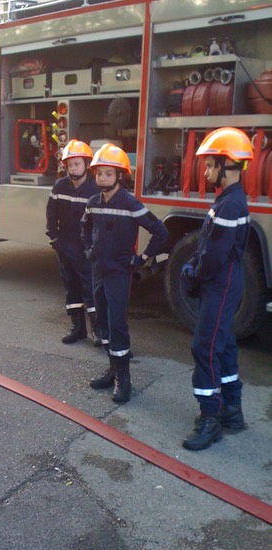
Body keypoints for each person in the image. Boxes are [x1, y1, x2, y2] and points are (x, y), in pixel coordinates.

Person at [181, 127, 253, 451]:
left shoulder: (230, 205)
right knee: (222, 344)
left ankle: (211, 418)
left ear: (228, 165)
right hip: (224, 281)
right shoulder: (228, 200)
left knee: (205, 346)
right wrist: (195, 264)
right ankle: (232, 411)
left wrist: (195, 274)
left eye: (211, 165)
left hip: (220, 283)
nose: (206, 172)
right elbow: (208, 245)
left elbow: (214, 255)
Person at [81, 143, 168, 403]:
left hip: (119, 273)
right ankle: (112, 370)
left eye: (108, 173)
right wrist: (89, 250)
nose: (102, 178)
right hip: (99, 271)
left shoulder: (130, 203)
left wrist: (142, 259)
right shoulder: (93, 203)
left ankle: (123, 378)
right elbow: (84, 228)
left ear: (120, 176)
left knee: (117, 324)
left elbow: (160, 232)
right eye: (99, 173)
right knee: (103, 321)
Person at [46, 139, 101, 345]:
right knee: (71, 288)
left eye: (77, 164)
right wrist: (54, 238)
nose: (73, 168)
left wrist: (95, 247)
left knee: (90, 289)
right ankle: (78, 329)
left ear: (87, 164)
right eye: (69, 164)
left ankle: (98, 330)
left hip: (86, 249)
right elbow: (51, 214)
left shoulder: (95, 189)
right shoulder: (60, 186)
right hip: (65, 246)